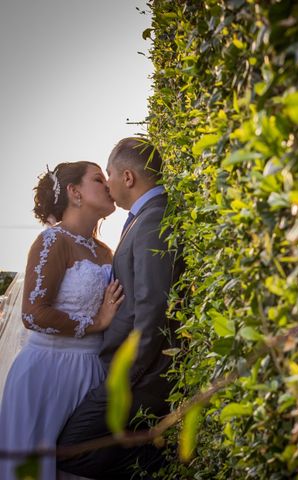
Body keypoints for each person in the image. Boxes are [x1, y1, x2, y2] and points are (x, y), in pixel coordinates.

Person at [58, 137, 183, 479]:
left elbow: (152, 306)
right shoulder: (142, 218)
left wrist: (125, 376)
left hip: (142, 376)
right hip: (130, 369)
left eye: (109, 174)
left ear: (127, 177)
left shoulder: (153, 219)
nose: (108, 183)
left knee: (70, 451)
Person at [0, 161, 124, 480]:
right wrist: (95, 324)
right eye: (98, 179)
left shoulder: (106, 252)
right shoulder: (53, 241)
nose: (108, 185)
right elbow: (33, 314)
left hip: (92, 371)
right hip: (47, 373)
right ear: (74, 192)